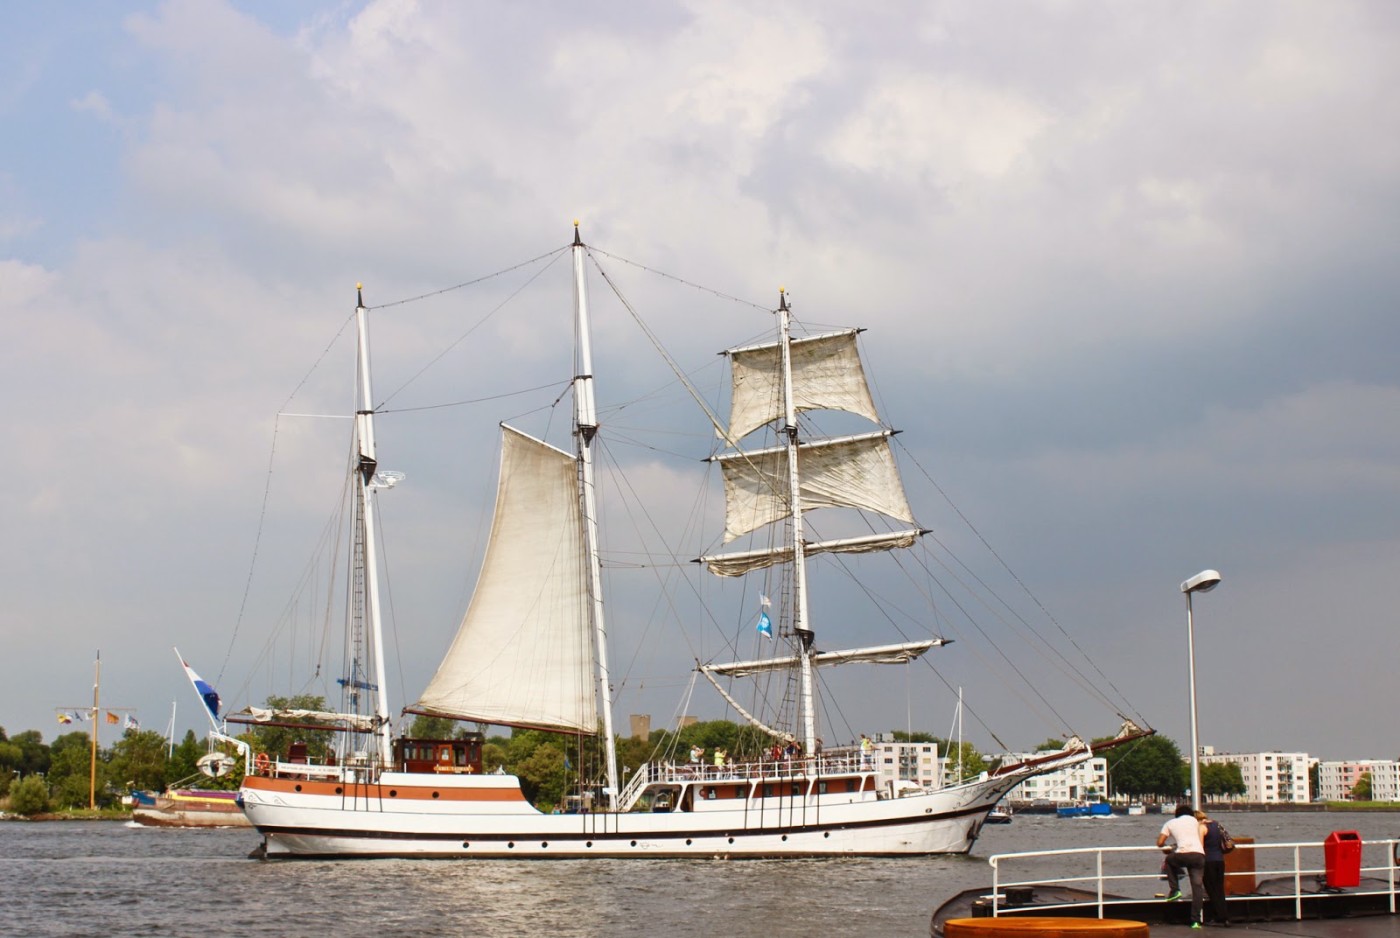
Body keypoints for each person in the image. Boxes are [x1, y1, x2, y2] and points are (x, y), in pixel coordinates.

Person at [1157, 803, 1207, 929]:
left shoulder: (1170, 823)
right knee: (1197, 888)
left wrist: (1170, 847)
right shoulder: (1196, 821)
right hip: (1198, 856)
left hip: (1183, 855)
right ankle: (1195, 921)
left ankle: (1175, 890)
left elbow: (1160, 842)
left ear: (1176, 814)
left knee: (1169, 860)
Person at [1197, 810, 1231, 926]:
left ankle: (1221, 917)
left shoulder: (1202, 827)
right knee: (1219, 889)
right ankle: (1223, 916)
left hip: (1208, 861)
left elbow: (1200, 845)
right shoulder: (1217, 824)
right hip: (1220, 860)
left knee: (1211, 889)